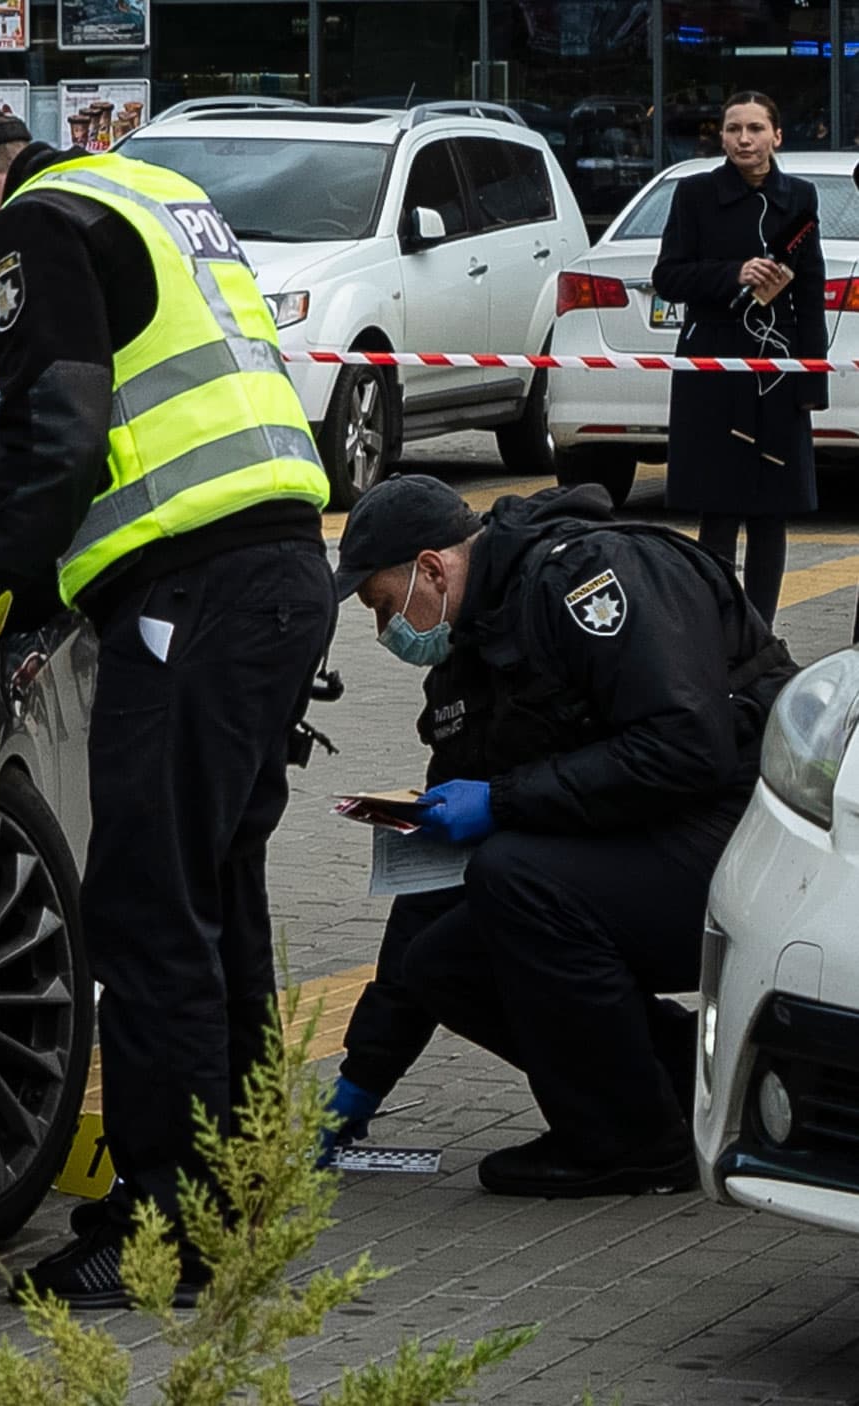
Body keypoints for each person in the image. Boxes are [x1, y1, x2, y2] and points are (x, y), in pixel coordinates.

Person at [0, 98, 334, 1306]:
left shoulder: (32, 226)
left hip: (198, 588)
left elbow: (53, 446)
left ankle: (163, 1224)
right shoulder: (151, 193)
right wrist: (15, 604)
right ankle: (231, 1187)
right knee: (212, 894)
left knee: (148, 908)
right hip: (268, 572)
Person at [328, 474, 795, 1197]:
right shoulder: (472, 652)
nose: (383, 630)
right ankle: (683, 1091)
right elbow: (432, 872)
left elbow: (685, 747)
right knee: (440, 960)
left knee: (515, 878)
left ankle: (630, 1145)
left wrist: (506, 801)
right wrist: (362, 1077)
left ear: (430, 569)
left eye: (383, 606)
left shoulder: (588, 580)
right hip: (654, 842)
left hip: (754, 847)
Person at [653, 90, 826, 626]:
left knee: (772, 511)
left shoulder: (799, 197)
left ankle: (762, 632)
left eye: (754, 129)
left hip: (778, 368)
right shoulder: (695, 195)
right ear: (721, 137)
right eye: (733, 129)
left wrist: (810, 381)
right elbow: (668, 277)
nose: (743, 140)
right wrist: (733, 273)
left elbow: (811, 288)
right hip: (714, 365)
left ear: (777, 135)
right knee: (720, 508)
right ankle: (718, 629)